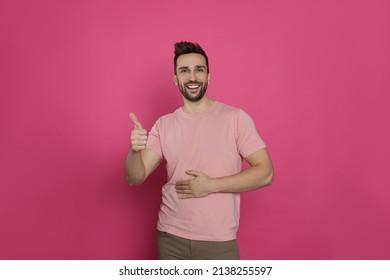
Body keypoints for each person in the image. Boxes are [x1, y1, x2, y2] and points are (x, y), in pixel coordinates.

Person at [125, 41, 274, 260]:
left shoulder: (235, 118)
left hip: (218, 242)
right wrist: (134, 150)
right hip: (170, 238)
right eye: (184, 71)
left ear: (208, 76)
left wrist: (210, 185)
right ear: (176, 79)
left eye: (199, 69)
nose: (192, 77)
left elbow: (266, 173)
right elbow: (134, 177)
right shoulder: (164, 124)